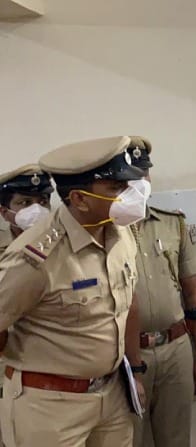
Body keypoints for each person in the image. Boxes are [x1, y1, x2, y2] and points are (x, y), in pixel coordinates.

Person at [0, 136, 148, 446]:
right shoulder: (34, 258)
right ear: (80, 199)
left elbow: (125, 306)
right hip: (51, 406)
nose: (133, 193)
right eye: (117, 187)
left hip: (112, 395)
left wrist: (134, 372)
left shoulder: (121, 233)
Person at [125, 138, 196, 447]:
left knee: (176, 440)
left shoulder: (173, 224)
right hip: (126, 357)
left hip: (175, 348)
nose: (140, 182)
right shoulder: (104, 231)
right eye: (130, 176)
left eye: (144, 174)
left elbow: (193, 295)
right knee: (128, 439)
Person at [0, 164, 54, 446]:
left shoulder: (61, 245)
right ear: (4, 211)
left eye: (43, 201)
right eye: (24, 202)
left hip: (50, 370)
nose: (37, 210)